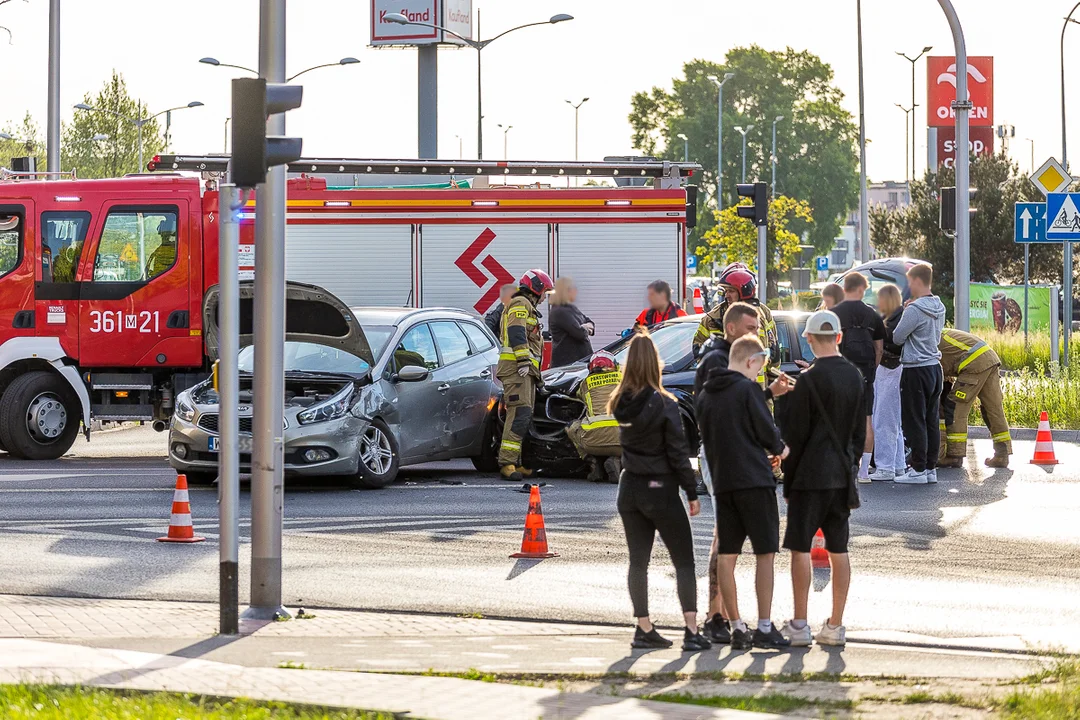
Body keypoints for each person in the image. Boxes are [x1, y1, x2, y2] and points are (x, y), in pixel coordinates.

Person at [694, 303, 793, 645]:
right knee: (757, 551)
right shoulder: (718, 360)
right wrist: (778, 450)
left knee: (727, 548)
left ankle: (730, 622)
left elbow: (725, 412)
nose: (756, 331)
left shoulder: (713, 384)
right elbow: (750, 416)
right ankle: (729, 619)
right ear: (732, 328)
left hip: (726, 473)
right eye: (751, 326)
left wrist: (764, 393)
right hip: (749, 475)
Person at [610, 332, 710, 652]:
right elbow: (677, 453)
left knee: (638, 561)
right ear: (656, 363)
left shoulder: (618, 402)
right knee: (683, 560)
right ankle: (692, 630)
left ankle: (643, 627)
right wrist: (691, 492)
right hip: (660, 489)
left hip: (629, 488)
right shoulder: (665, 404)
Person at [779, 310, 865, 648]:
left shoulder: (809, 381)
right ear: (840, 338)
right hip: (842, 475)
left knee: (800, 547)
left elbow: (795, 437)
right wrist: (851, 467)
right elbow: (860, 433)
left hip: (809, 476)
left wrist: (788, 481)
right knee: (839, 548)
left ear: (810, 339)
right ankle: (835, 625)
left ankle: (799, 625)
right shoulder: (855, 377)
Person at [496, 269, 554, 482]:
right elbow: (516, 332)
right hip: (516, 370)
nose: (545, 296)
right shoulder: (521, 304)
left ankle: (515, 462)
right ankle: (507, 464)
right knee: (519, 414)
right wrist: (522, 361)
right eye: (545, 291)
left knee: (523, 415)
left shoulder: (524, 305)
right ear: (536, 289)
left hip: (524, 371)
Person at [892, 264, 946, 485]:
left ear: (916, 281)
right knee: (931, 420)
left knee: (915, 420)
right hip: (935, 367)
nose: (908, 286)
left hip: (916, 369)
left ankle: (917, 469)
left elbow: (897, 337)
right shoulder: (939, 306)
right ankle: (930, 468)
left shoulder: (914, 309)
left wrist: (906, 311)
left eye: (909, 282)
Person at [831, 272, 886, 483]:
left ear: (845, 288)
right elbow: (879, 348)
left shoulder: (835, 312)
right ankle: (864, 472)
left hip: (841, 373)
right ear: (863, 289)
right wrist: (872, 368)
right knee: (866, 419)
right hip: (866, 374)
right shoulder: (872, 315)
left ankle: (844, 467)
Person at [692, 265, 779, 387]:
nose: (726, 295)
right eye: (725, 291)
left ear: (744, 291)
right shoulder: (712, 318)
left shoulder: (763, 313)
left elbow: (774, 352)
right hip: (727, 391)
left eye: (731, 291)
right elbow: (698, 350)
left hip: (758, 392)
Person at [936, 328, 1011, 469]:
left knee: (955, 407)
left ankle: (954, 455)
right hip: (989, 358)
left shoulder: (929, 340)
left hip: (973, 364)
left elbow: (938, 374)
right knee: (993, 409)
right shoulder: (942, 334)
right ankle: (1002, 454)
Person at [868, 284, 907, 481]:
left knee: (884, 421)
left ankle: (885, 467)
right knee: (893, 422)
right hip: (891, 370)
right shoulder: (894, 317)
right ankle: (898, 465)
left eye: (880, 298)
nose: (877, 302)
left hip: (891, 370)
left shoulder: (895, 320)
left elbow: (895, 343)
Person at [566, 350, 623, 483]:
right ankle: (617, 460)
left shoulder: (586, 383)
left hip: (592, 443)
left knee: (571, 427)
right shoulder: (624, 379)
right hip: (623, 442)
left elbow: (579, 395)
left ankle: (593, 462)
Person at [548, 276, 595, 367]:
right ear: (565, 291)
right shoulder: (559, 312)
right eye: (573, 289)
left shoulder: (571, 308)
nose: (576, 291)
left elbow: (589, 321)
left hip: (580, 361)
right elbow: (579, 333)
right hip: (568, 364)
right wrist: (586, 328)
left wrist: (587, 326)